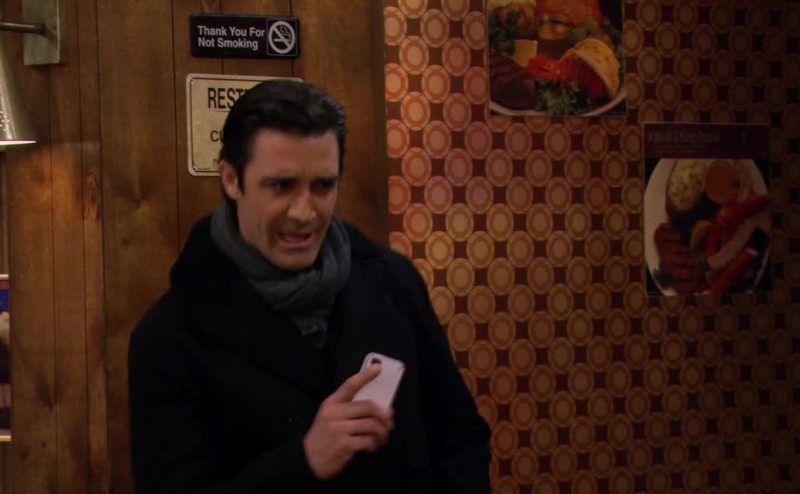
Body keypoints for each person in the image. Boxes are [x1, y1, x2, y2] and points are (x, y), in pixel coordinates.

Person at [128, 79, 491, 493]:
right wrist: (304, 461)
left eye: (323, 186)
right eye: (281, 186)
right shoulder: (168, 337)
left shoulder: (393, 281)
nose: (304, 213)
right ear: (232, 180)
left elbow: (460, 435)